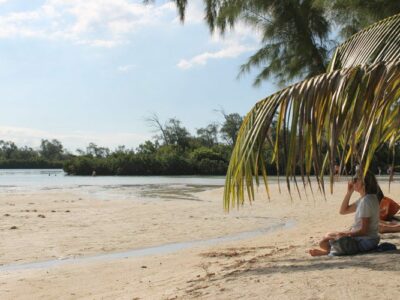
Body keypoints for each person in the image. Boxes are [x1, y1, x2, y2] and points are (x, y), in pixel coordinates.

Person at [309, 172, 380, 256]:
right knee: (328, 234)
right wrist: (349, 192)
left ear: (364, 183)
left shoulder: (365, 201)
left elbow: (364, 230)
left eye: (356, 180)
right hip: (370, 239)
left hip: (365, 241)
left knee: (323, 242)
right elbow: (343, 211)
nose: (353, 182)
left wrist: (346, 234)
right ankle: (330, 250)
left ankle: (327, 252)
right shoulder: (368, 198)